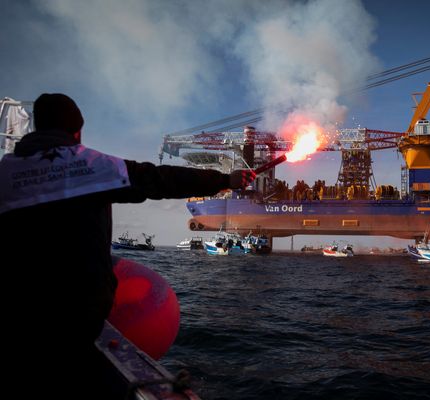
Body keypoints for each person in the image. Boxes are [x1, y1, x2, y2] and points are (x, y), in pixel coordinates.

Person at [0, 93, 255, 394]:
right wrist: (226, 180)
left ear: (36, 128)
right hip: (75, 316)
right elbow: (161, 179)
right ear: (77, 132)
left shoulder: (6, 171)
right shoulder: (89, 165)